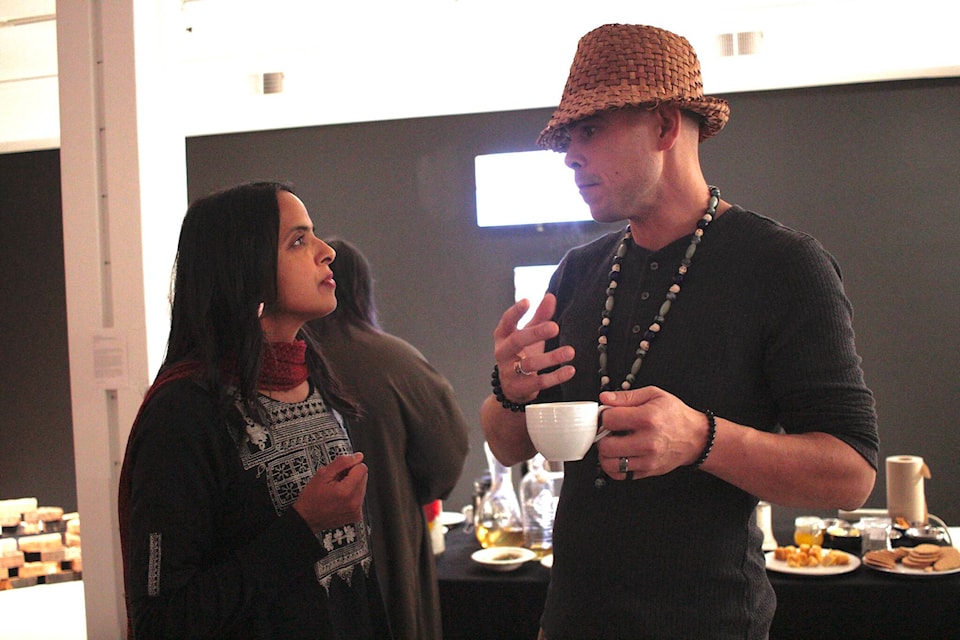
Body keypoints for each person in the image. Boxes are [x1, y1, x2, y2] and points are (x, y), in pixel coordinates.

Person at [480, 24, 879, 639]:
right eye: (567, 137)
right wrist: (511, 389)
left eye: (590, 130)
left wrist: (701, 438)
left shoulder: (781, 265)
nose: (569, 154)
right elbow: (509, 445)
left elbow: (851, 473)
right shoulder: (579, 270)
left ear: (665, 126)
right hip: (569, 623)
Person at [118, 182, 393, 639]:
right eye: (298, 241)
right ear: (244, 270)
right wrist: (302, 528)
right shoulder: (183, 413)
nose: (326, 252)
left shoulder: (313, 379)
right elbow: (161, 621)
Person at [308, 238, 470, 640]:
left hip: (301, 570)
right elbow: (445, 463)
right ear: (362, 289)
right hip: (389, 554)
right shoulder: (399, 363)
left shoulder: (275, 366)